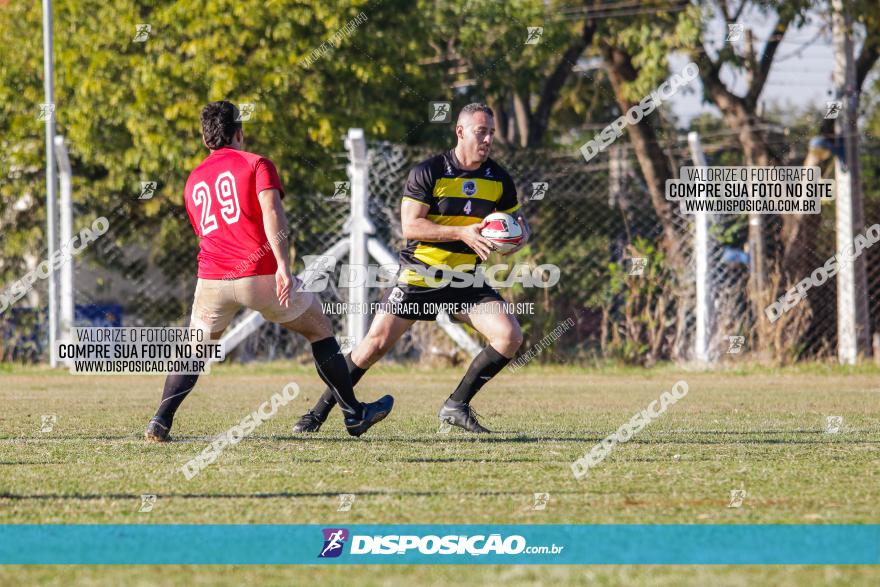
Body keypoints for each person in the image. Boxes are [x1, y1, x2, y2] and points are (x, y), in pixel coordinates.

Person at [144, 101, 393, 442]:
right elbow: (272, 212)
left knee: (194, 349)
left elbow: (204, 231)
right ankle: (353, 413)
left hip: (212, 278)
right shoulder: (256, 163)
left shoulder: (193, 180)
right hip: (257, 272)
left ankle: (160, 420)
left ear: (206, 138)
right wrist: (284, 267)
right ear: (239, 133)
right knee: (320, 328)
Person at [293, 103, 529, 434]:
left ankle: (456, 405)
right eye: (481, 132)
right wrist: (462, 232)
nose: (488, 138)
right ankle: (316, 414)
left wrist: (520, 236)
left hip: (466, 280)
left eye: (491, 132)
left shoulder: (499, 178)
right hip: (422, 275)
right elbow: (411, 226)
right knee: (373, 346)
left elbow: (517, 222)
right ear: (460, 132)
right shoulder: (429, 171)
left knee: (509, 336)